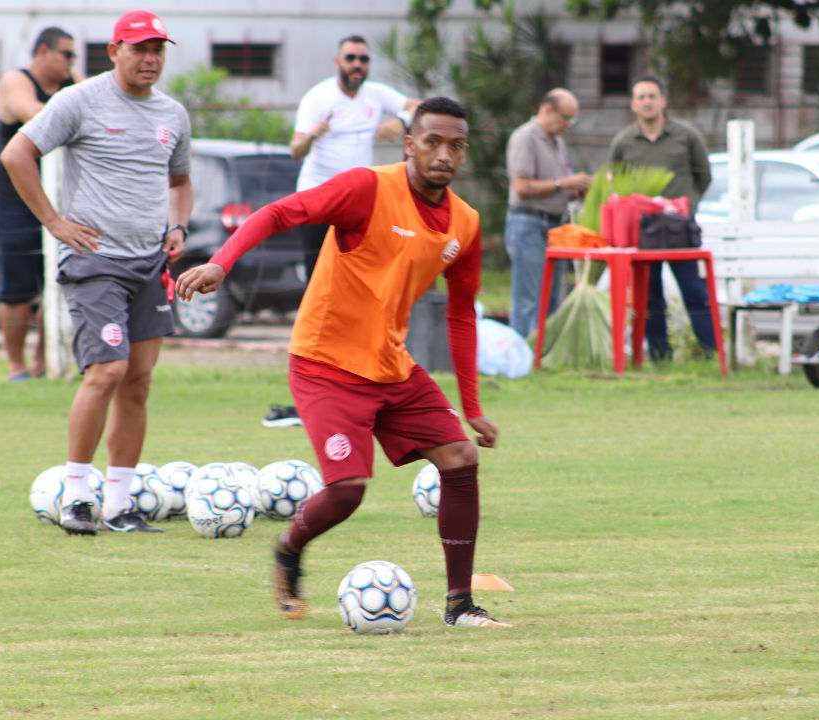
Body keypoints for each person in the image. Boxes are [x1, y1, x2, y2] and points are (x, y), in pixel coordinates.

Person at [178, 97, 511, 629]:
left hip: (392, 365)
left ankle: (460, 605)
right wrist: (222, 262)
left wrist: (472, 408)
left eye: (456, 145)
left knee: (460, 458)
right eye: (432, 142)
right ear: (409, 144)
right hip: (325, 363)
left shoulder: (465, 224)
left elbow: (461, 316)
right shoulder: (367, 189)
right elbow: (279, 212)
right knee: (349, 489)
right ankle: (289, 548)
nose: (444, 154)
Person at [1, 10, 193, 535]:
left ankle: (119, 506)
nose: (149, 59)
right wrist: (53, 221)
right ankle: (77, 497)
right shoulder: (79, 100)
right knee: (106, 371)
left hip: (150, 262)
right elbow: (17, 154)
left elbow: (180, 181)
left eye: (157, 49)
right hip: (96, 262)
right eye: (139, 48)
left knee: (138, 382)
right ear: (114, 51)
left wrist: (178, 225)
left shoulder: (173, 114)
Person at [263, 35, 420, 428]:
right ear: (337, 61)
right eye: (351, 58)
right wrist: (313, 134)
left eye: (363, 59)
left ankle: (357, 383)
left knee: (362, 292)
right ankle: (311, 390)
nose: (357, 65)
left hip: (358, 208)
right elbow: (295, 150)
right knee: (320, 294)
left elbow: (419, 107)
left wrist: (400, 123)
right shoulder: (319, 98)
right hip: (318, 204)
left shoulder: (375, 94)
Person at [0, 26, 82, 382]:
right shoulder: (16, 81)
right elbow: (36, 116)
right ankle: (17, 366)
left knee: (57, 281)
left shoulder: (72, 84)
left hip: (58, 200)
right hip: (12, 201)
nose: (72, 62)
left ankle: (45, 360)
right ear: (44, 51)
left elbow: (101, 106)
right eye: (67, 54)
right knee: (18, 286)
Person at [609, 75, 715, 360]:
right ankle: (659, 356)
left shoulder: (686, 135)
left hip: (681, 228)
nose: (647, 102)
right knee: (649, 296)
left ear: (663, 101)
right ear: (633, 104)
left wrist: (686, 206)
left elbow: (703, 176)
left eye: (652, 96)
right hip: (643, 230)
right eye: (641, 97)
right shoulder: (623, 142)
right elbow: (617, 183)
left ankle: (712, 354)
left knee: (696, 292)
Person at [504, 88, 592, 339]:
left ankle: (546, 353)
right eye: (566, 117)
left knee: (553, 299)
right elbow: (522, 187)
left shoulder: (558, 142)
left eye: (572, 119)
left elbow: (558, 185)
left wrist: (580, 189)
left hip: (555, 227)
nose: (568, 124)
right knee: (527, 300)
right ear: (547, 109)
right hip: (528, 224)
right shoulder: (525, 137)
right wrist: (564, 183)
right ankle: (521, 353)